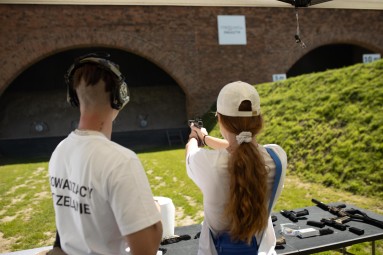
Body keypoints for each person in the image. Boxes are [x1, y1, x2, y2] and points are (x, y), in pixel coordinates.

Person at [48, 53, 162, 255]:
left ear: (74, 97)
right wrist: (154, 214)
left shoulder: (60, 151)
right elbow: (146, 249)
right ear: (120, 97)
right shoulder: (120, 161)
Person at [185, 81, 287, 255]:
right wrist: (206, 137)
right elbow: (243, 147)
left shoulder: (207, 163)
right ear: (258, 120)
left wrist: (195, 137)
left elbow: (191, 151)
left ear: (220, 119)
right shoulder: (277, 157)